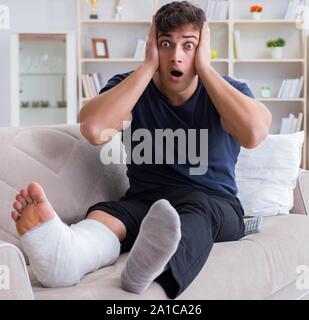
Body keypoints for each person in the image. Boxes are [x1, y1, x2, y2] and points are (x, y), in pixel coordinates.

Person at [11, 1, 271, 299]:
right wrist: (147, 66)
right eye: (166, 44)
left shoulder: (228, 91)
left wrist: (206, 69)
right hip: (147, 204)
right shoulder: (130, 86)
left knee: (196, 207)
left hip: (214, 204)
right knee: (109, 214)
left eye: (189, 45)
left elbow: (253, 133)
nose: (176, 57)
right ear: (152, 45)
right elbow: (94, 130)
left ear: (202, 48)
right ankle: (64, 259)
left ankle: (154, 276)